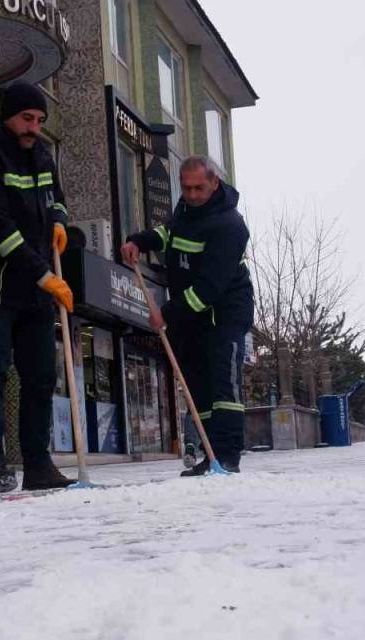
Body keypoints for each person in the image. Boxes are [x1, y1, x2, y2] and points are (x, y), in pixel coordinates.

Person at [0, 82, 76, 499]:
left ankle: (38, 463)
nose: (34, 128)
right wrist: (43, 274)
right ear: (8, 114)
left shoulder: (40, 154)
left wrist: (59, 221)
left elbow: (55, 197)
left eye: (40, 121)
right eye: (28, 118)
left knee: (41, 375)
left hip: (35, 289)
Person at [121, 157, 255, 475]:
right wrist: (139, 241)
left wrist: (165, 314)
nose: (192, 195)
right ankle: (210, 454)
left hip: (224, 314)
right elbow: (168, 234)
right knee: (199, 387)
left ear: (214, 183)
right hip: (192, 317)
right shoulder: (185, 211)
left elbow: (209, 289)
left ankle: (227, 455)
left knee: (224, 386)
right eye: (186, 188)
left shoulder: (230, 226)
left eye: (199, 188)